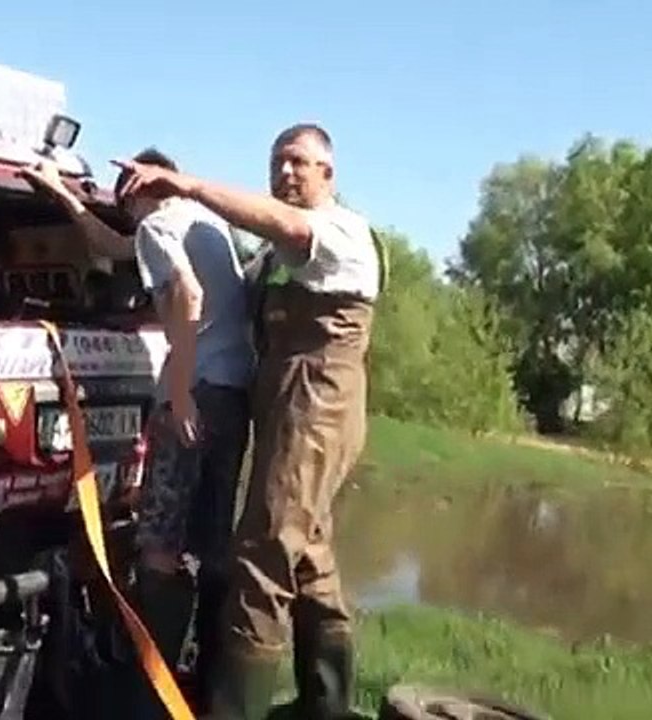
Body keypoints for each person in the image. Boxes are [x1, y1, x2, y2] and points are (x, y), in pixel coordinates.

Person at [114, 124, 382, 720]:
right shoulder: (273, 256)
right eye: (277, 162)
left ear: (328, 173)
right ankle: (325, 706)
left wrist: (185, 185)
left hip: (317, 402)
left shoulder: (339, 230)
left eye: (299, 162)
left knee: (262, 556)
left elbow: (284, 226)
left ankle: (232, 709)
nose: (285, 172)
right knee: (309, 553)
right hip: (282, 400)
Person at [20, 150, 254, 717]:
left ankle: (149, 693)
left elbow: (186, 293)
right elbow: (114, 246)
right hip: (234, 389)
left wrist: (179, 388)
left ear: (136, 192)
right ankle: (208, 687)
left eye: (123, 200)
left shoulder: (156, 226)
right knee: (214, 544)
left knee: (158, 543)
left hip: (195, 390)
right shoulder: (204, 222)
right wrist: (64, 196)